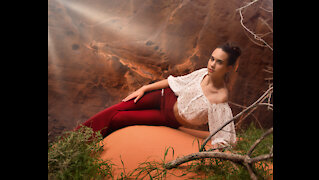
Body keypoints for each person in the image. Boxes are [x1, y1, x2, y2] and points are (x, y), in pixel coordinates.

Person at [75, 42, 241, 148]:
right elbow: (173, 82)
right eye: (212, 59)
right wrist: (144, 89)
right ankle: (75, 141)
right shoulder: (203, 73)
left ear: (229, 67)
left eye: (219, 62)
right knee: (117, 108)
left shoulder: (219, 99)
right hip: (162, 96)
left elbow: (223, 137)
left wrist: (219, 149)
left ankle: (90, 144)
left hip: (166, 118)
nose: (212, 64)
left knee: (119, 119)